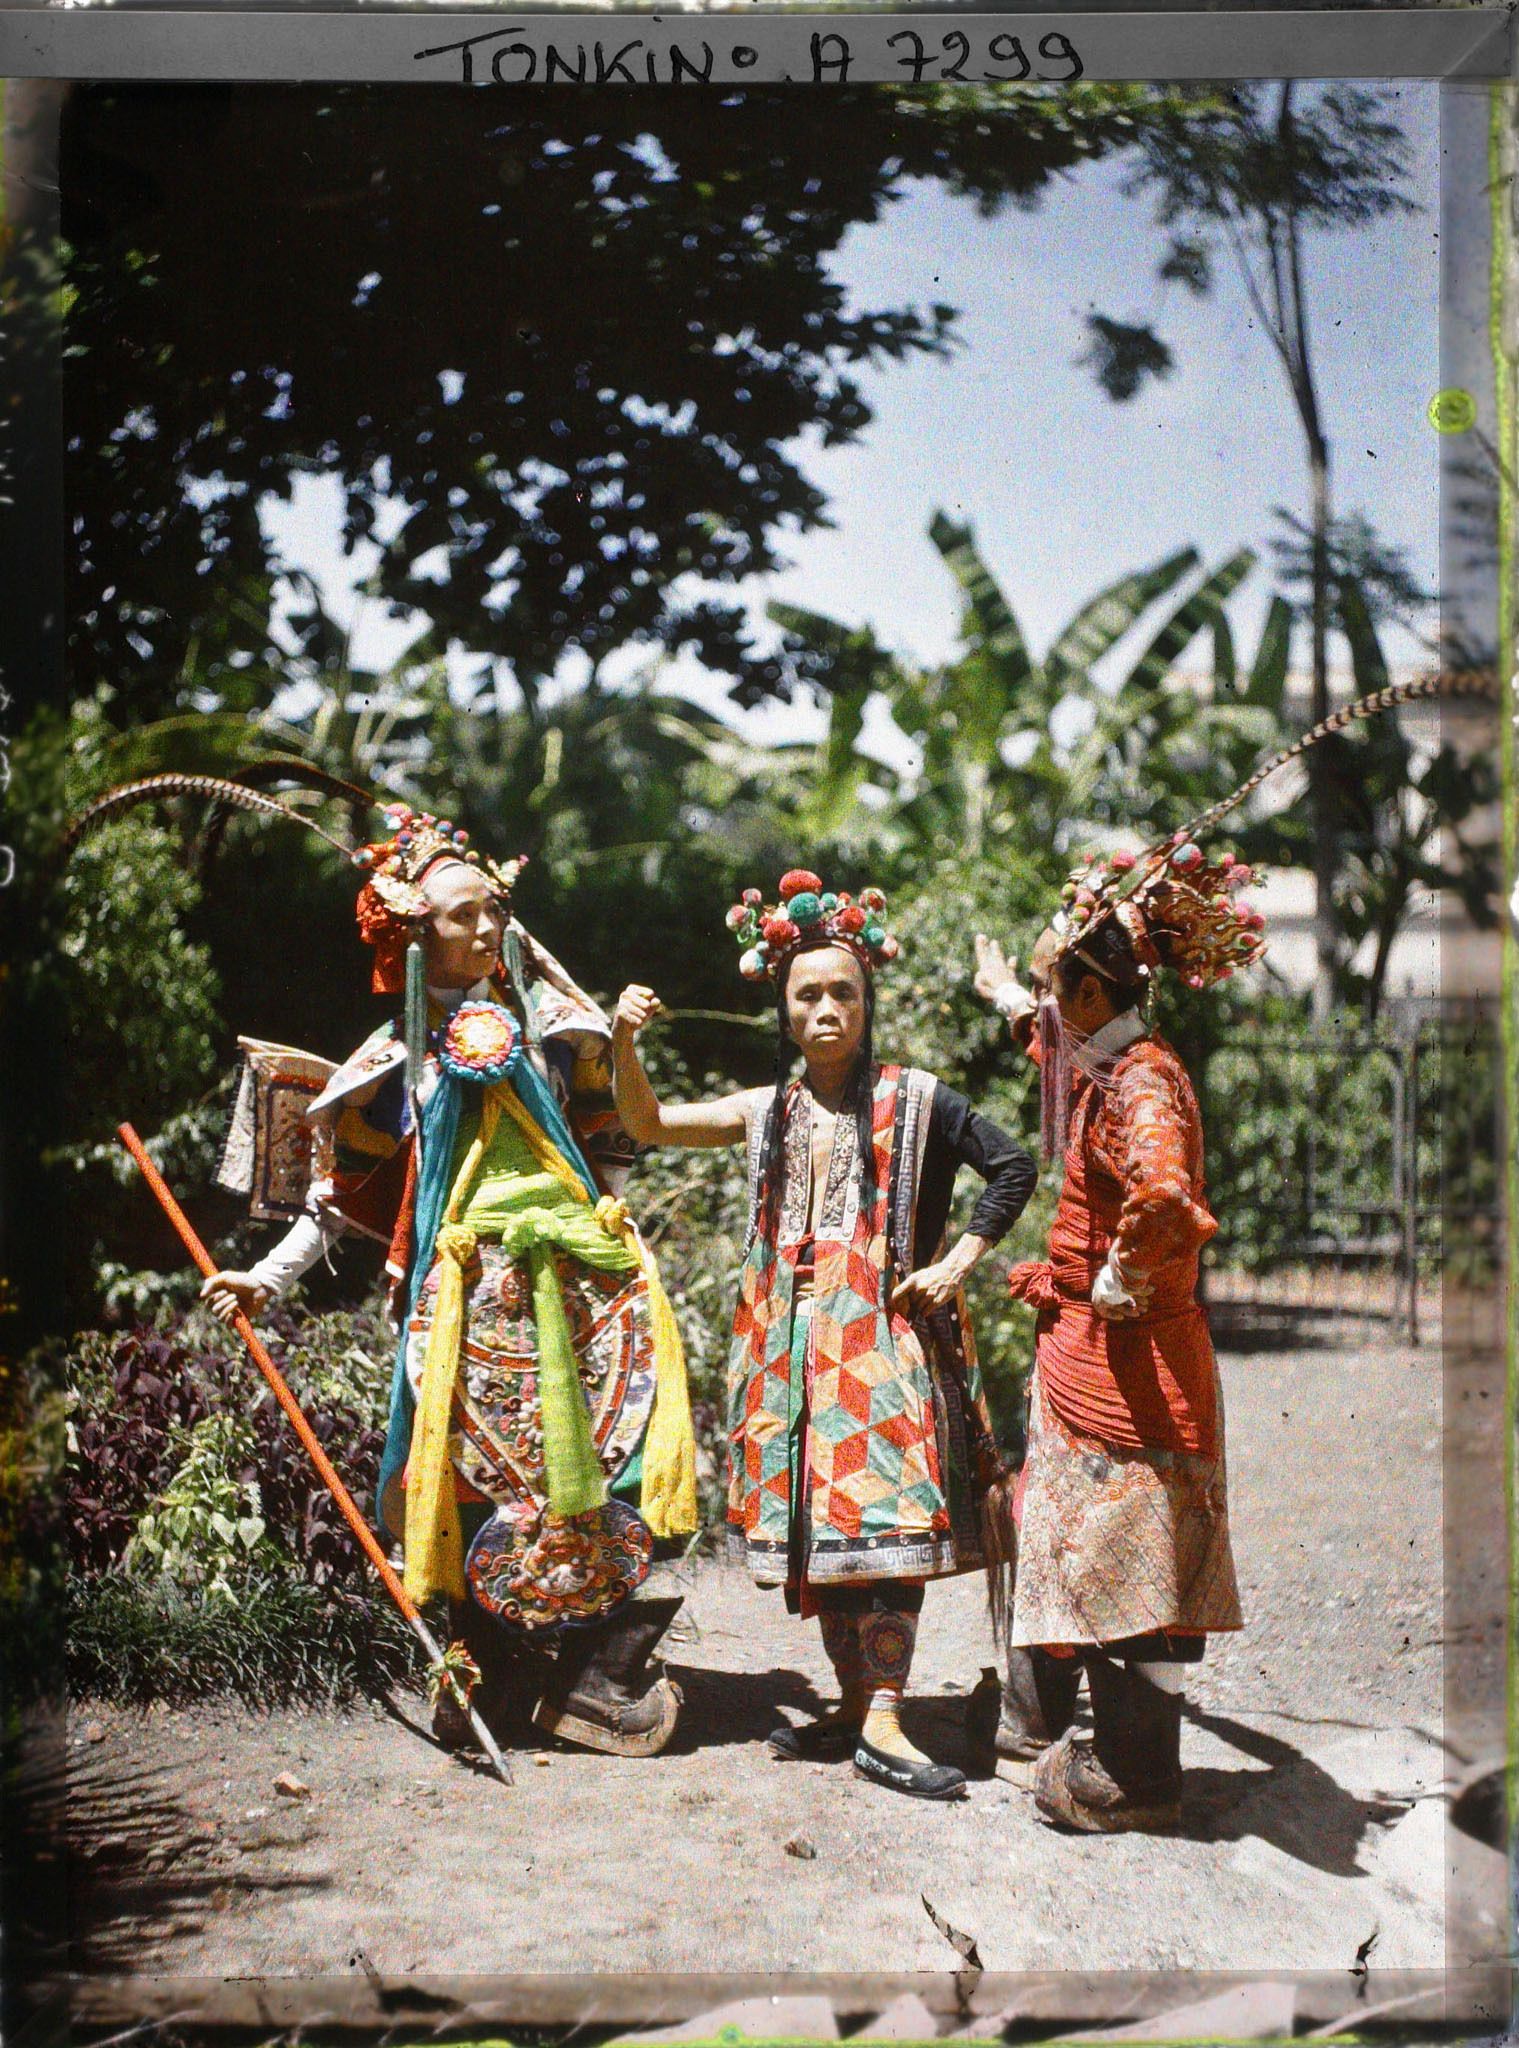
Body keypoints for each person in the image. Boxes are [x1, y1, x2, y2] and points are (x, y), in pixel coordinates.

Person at [201, 805, 697, 1757]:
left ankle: (594, 1677)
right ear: (415, 933)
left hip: (582, 1283)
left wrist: (615, 1220)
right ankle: (490, 1674)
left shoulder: (557, 1029)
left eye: (493, 910)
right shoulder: (394, 1064)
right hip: (461, 1294)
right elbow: (337, 1197)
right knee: (469, 1477)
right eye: (462, 915)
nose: (484, 929)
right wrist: (265, 1279)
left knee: (607, 1460)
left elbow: (609, 1135)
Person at [611, 871, 1036, 1800]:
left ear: (867, 1001)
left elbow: (1012, 1164)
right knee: (817, 1530)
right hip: (787, 1352)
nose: (827, 1007)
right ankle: (853, 1702)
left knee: (881, 1520)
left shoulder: (918, 1098)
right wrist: (623, 1040)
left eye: (844, 991)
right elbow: (644, 1123)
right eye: (808, 994)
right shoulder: (765, 1112)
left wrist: (956, 1260)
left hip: (881, 1348)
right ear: (785, 1012)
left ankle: (886, 1713)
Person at [971, 835, 1258, 1832]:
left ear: (1090, 994)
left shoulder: (1137, 1085)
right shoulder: (1099, 1051)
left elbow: (1166, 1199)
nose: (1045, 1012)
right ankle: (1030, 1726)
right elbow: (1041, 1040)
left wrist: (1117, 1281)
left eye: (1055, 989)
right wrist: (1005, 988)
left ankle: (1136, 1777)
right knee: (1048, 1521)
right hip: (1085, 1355)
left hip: (1129, 1360)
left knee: (1130, 1548)